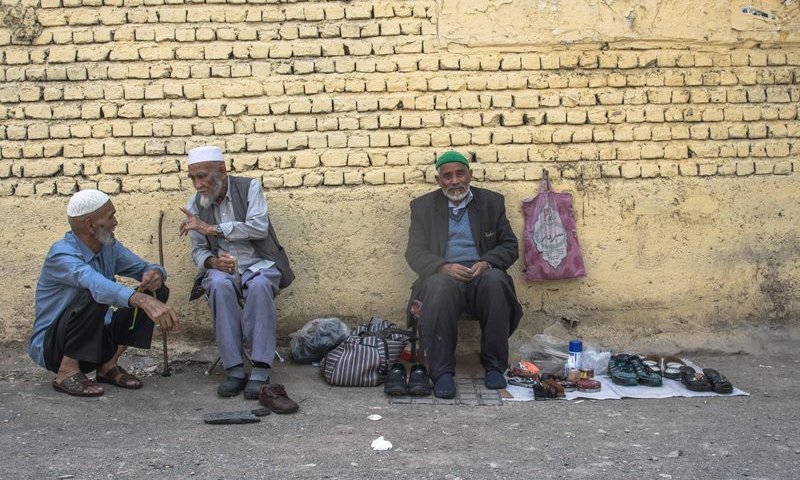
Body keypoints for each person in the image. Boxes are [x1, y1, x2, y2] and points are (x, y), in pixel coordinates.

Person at [179, 145, 298, 412]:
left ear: (221, 171)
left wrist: (212, 229)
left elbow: (258, 227)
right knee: (219, 286)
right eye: (193, 179)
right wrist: (211, 261)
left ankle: (260, 369)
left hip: (259, 262)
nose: (198, 185)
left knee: (258, 286)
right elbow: (198, 250)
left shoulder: (249, 188)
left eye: (202, 176)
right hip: (223, 269)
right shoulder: (194, 204)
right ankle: (233, 368)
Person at [29, 189, 180, 397]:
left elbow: (144, 267)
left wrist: (154, 273)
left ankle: (108, 366)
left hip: (96, 343)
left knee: (155, 290)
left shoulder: (108, 246)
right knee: (96, 292)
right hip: (55, 348)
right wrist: (141, 300)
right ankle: (67, 372)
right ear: (91, 225)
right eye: (110, 217)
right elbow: (95, 285)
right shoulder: (62, 255)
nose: (115, 222)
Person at [405, 150, 523, 399]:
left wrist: (487, 262)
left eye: (460, 174)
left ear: (470, 175)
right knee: (438, 286)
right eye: (447, 176)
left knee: (495, 281)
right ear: (439, 181)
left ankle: (493, 366)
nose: (454, 181)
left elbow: (509, 245)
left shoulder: (492, 202)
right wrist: (442, 266)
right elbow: (414, 253)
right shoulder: (423, 207)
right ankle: (442, 372)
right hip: (445, 275)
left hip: (481, 274)